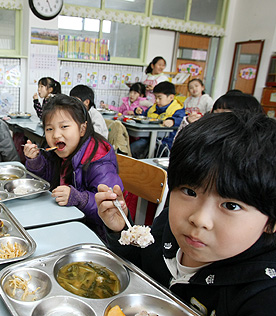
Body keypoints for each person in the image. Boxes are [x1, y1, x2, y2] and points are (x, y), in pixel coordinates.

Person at [95, 111, 276, 315]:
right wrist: (121, 228)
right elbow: (138, 267)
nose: (199, 219)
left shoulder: (263, 297)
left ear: (271, 222)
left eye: (231, 205)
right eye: (190, 192)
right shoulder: (168, 226)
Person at [23, 94, 123, 242]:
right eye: (49, 129)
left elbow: (112, 209)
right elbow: (48, 181)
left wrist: (80, 199)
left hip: (96, 236)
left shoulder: (99, 161)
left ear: (82, 129)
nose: (56, 135)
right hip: (66, 221)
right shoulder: (60, 153)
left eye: (64, 126)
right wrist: (36, 162)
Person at [174, 89, 264, 142]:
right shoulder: (209, 133)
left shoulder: (256, 142)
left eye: (223, 113)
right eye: (215, 113)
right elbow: (180, 148)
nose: (216, 118)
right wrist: (189, 124)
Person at [131, 82, 185, 158]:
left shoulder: (177, 109)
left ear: (171, 97)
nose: (157, 100)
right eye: (155, 97)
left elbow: (181, 120)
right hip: (149, 138)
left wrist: (173, 121)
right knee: (133, 148)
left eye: (159, 98)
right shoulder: (154, 107)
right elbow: (145, 116)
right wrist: (139, 112)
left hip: (166, 142)